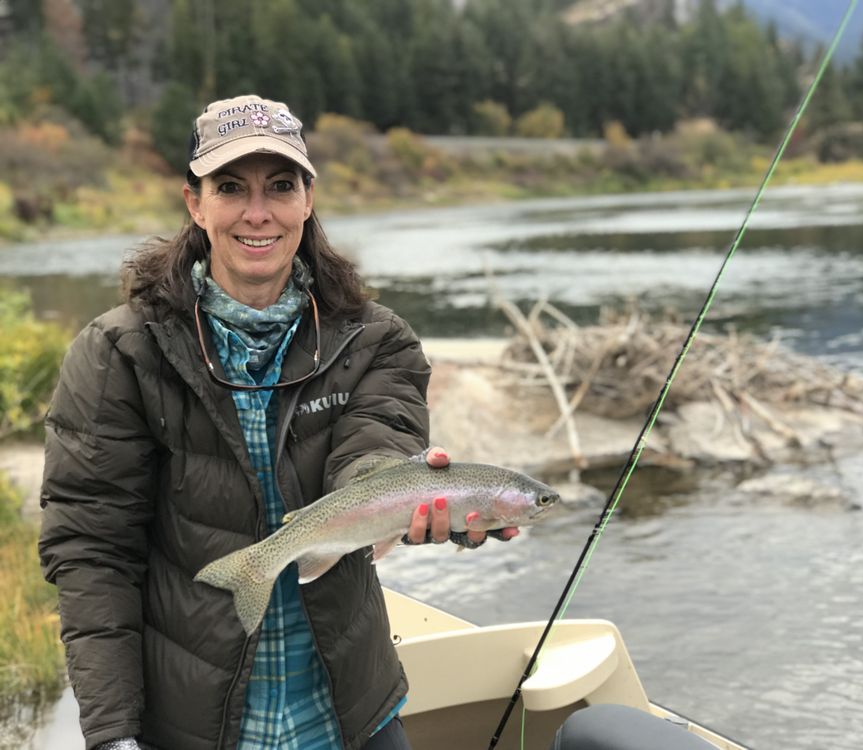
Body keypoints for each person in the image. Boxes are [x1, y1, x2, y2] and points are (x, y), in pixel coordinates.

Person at [37, 94, 516, 750]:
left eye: (280, 186)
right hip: (193, 727)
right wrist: (115, 735)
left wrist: (426, 502)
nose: (257, 212)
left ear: (308, 200)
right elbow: (93, 553)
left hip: (352, 713)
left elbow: (372, 448)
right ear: (194, 203)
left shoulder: (376, 341)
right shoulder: (121, 353)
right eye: (231, 187)